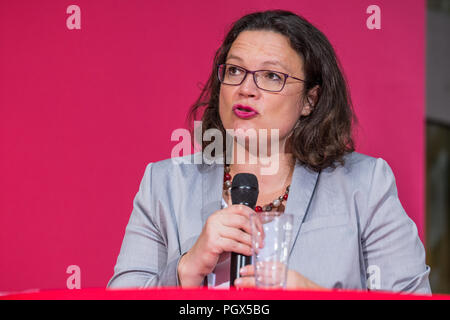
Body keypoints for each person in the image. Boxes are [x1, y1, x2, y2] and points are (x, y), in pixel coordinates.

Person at [107, 10, 431, 293]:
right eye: (234, 71)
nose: (246, 88)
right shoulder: (164, 184)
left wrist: (312, 295)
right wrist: (186, 270)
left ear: (310, 100)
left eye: (271, 76)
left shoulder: (365, 184)